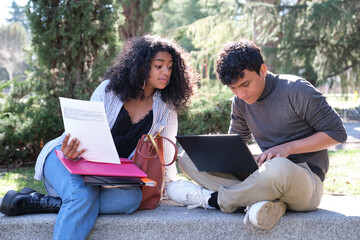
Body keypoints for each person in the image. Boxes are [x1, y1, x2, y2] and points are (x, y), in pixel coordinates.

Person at [0, 35, 198, 239]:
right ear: (141, 65)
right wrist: (72, 151)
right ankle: (75, 200)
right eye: (159, 65)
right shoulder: (108, 90)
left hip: (108, 175)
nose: (166, 71)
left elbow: (165, 155)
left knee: (131, 198)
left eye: (170, 67)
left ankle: (53, 203)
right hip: (65, 156)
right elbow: (82, 135)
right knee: (83, 194)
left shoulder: (166, 106)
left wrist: (169, 186)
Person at [167, 39, 347, 230]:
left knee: (278, 167)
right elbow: (233, 147)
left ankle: (213, 200)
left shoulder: (296, 89)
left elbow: (337, 133)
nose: (241, 94)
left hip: (305, 181)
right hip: (263, 176)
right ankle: (262, 201)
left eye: (245, 84)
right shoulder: (240, 102)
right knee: (188, 159)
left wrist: (288, 148)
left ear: (262, 70)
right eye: (233, 88)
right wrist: (231, 156)